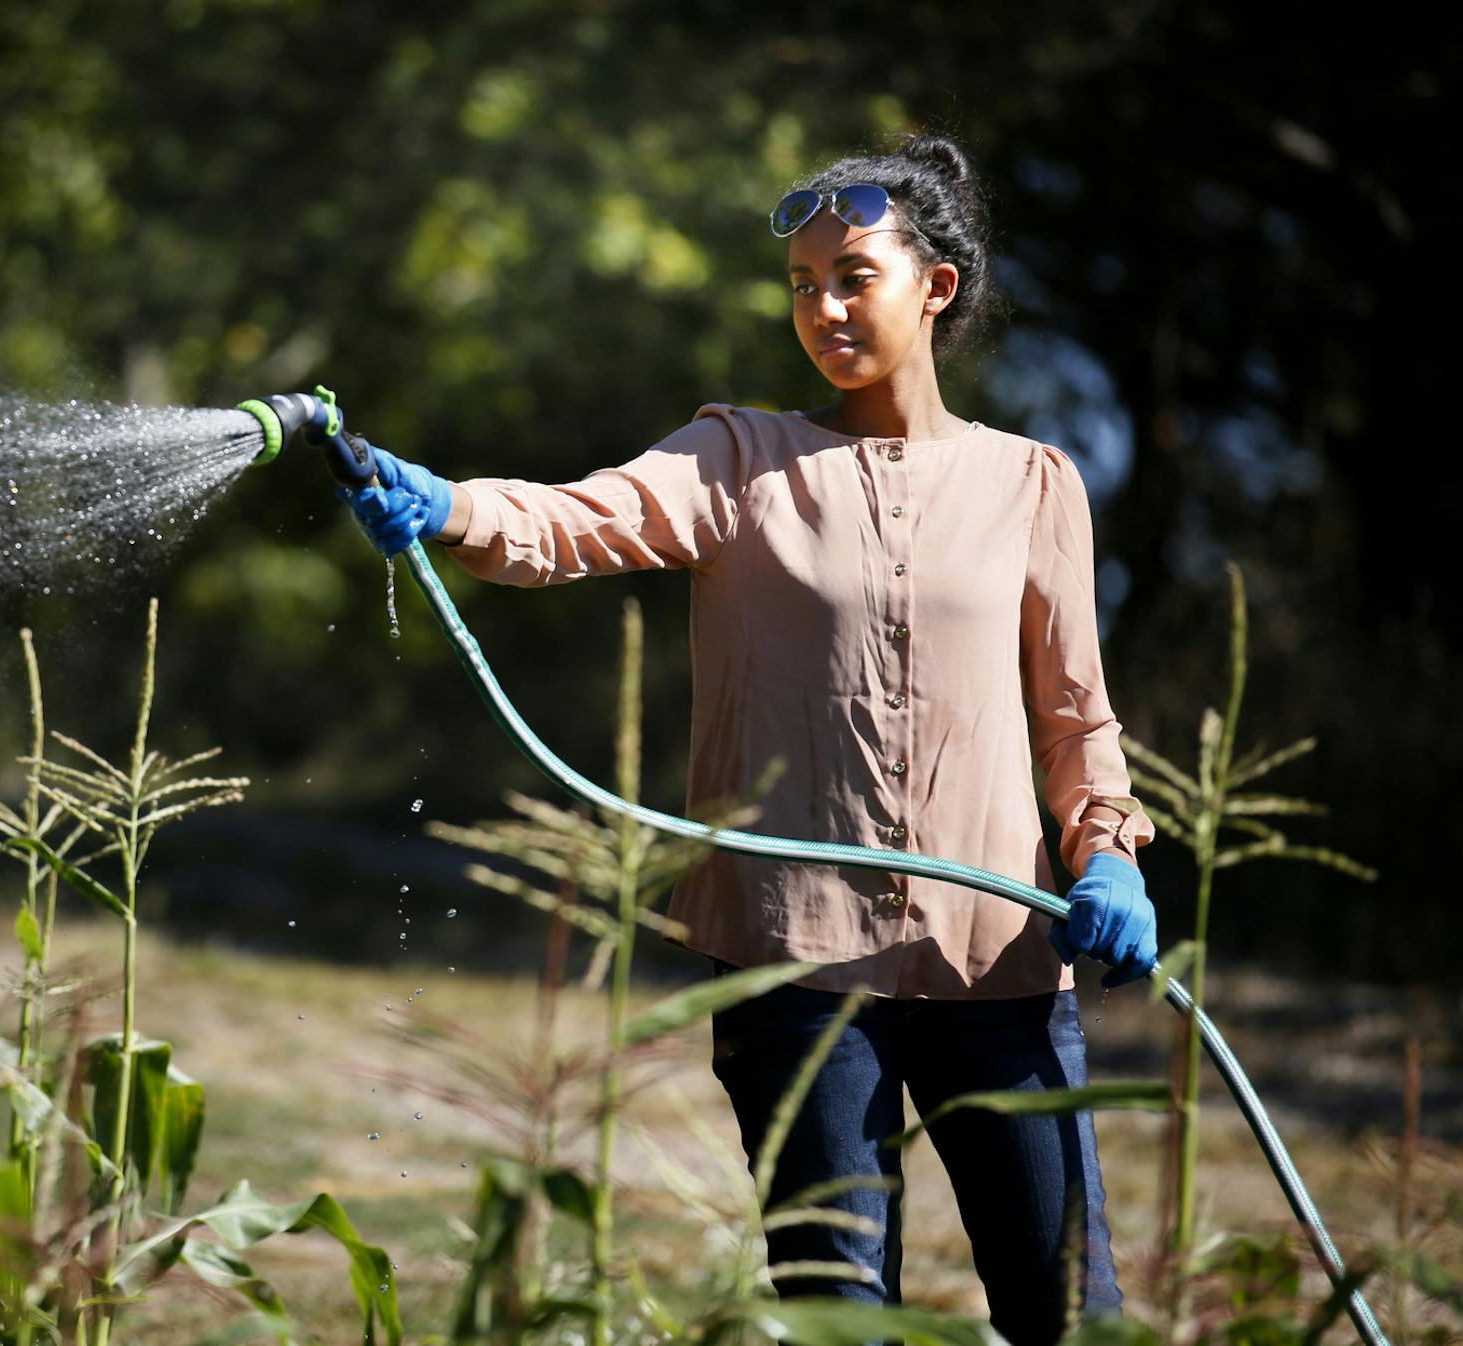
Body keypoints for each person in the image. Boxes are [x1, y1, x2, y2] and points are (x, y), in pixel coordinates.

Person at [335, 132, 1158, 1344]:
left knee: (1071, 1311)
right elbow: (580, 519)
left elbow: (1077, 718)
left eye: (852, 277)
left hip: (1001, 960)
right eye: (801, 285)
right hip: (796, 968)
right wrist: (451, 505)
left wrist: (1111, 853)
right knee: (837, 1320)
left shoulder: (1033, 483)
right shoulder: (739, 457)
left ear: (935, 288)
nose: (821, 306)